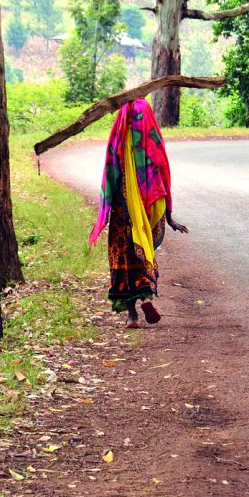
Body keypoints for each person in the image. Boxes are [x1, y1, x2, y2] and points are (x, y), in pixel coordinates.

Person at [89, 98, 188, 329]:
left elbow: (110, 175)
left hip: (122, 210)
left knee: (122, 256)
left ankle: (132, 315)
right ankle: (145, 298)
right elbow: (163, 175)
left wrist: (105, 212)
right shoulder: (151, 139)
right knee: (143, 251)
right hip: (146, 209)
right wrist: (170, 216)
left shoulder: (118, 138)